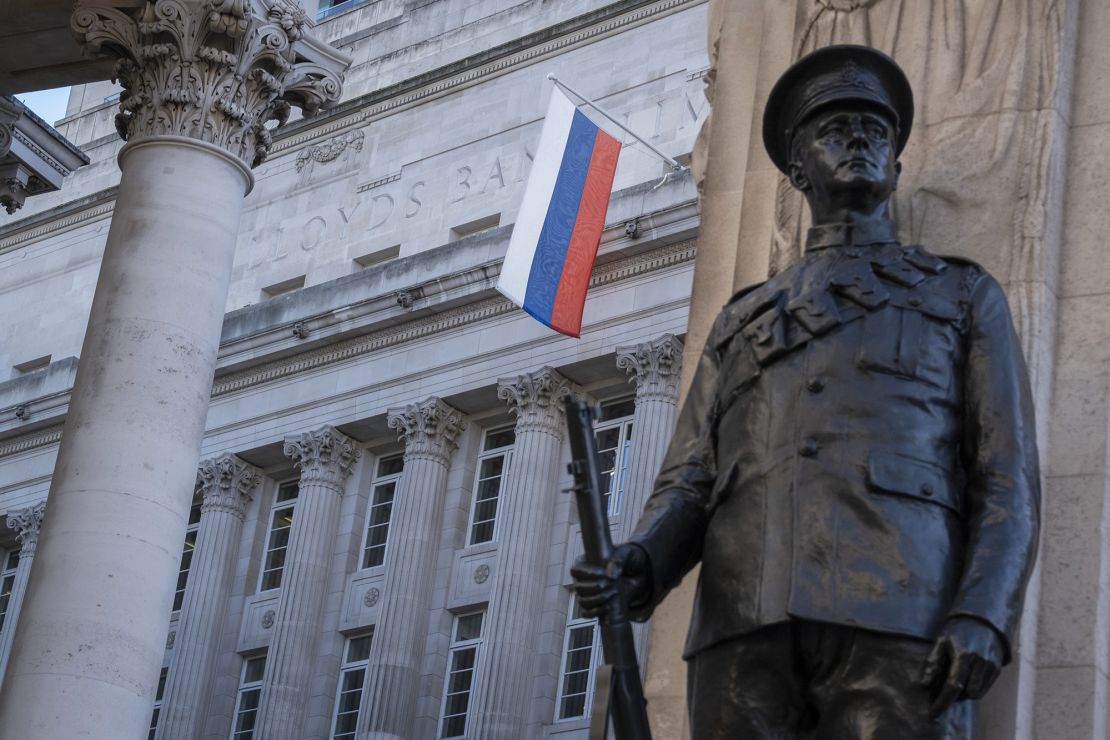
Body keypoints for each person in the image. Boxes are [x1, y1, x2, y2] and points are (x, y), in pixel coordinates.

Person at [572, 45, 1040, 739]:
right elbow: (689, 481)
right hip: (742, 616)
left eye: (876, 130)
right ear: (797, 169)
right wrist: (639, 561)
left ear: (897, 167)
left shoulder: (961, 293)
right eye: (835, 129)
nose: (859, 139)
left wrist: (984, 613)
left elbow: (1007, 480)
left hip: (901, 610)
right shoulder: (741, 321)